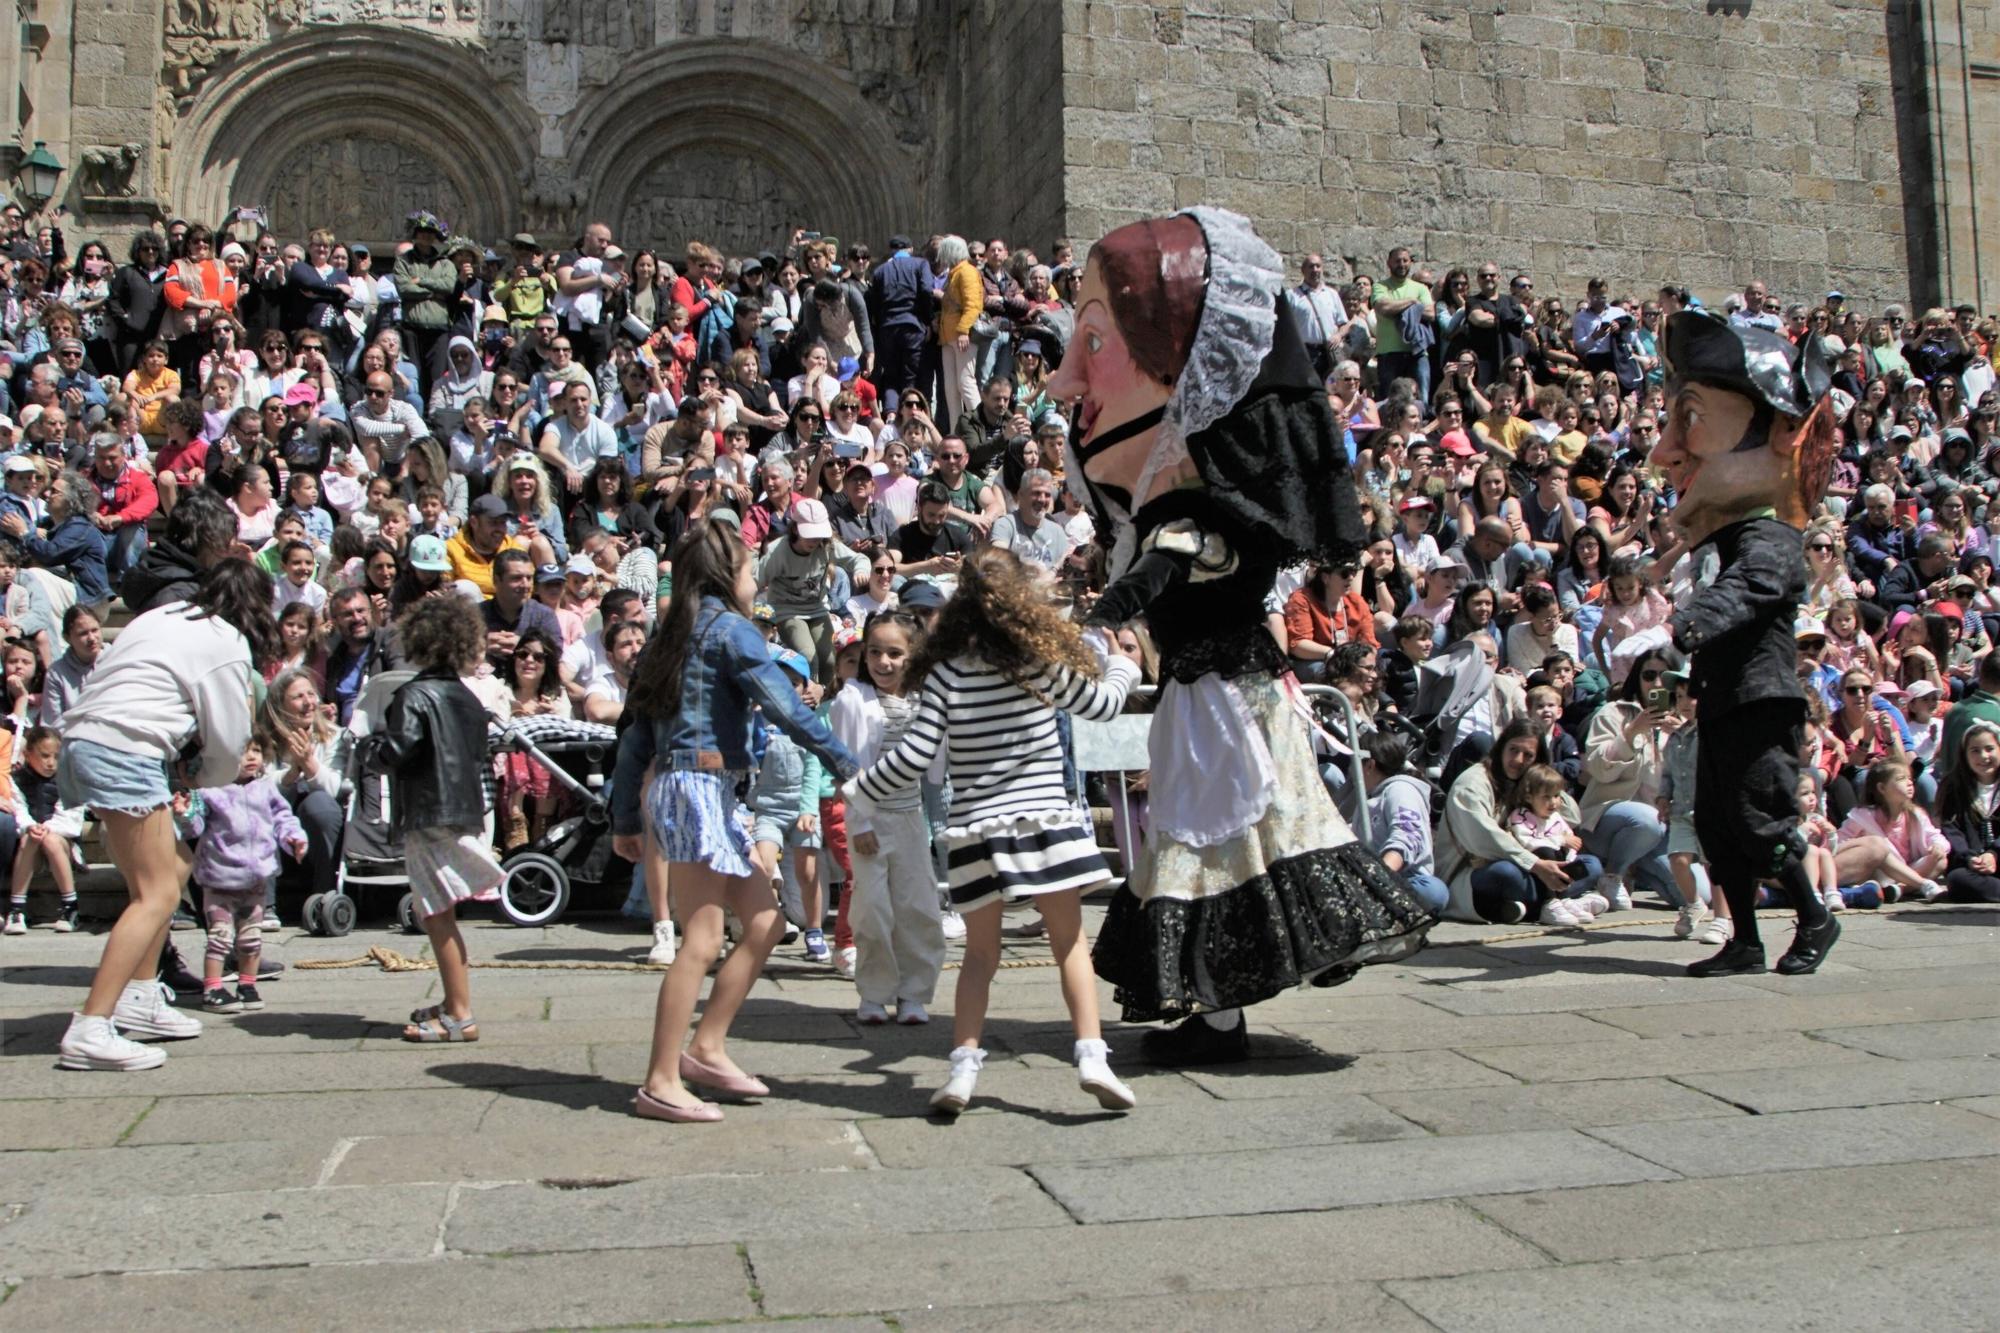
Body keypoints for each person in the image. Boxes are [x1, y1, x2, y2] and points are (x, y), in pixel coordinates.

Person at [1054, 208, 1433, 1065]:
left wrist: (1097, 618)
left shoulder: (1201, 520)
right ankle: (1216, 1012)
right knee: (1223, 847)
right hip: (1217, 693)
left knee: (1213, 849)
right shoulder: (1198, 514)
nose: (1068, 381)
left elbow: (1158, 574)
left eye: (1097, 343)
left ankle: (1219, 1017)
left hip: (1225, 703)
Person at [843, 546, 1140, 1114]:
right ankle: (1092, 1058)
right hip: (1045, 821)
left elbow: (915, 756)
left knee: (980, 956)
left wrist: (860, 790)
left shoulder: (946, 672)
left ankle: (962, 1070)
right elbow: (1102, 705)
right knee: (1069, 945)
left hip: (975, 829)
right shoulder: (1036, 660)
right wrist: (1122, 663)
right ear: (1020, 598)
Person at [612, 521, 859, 1123]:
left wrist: (624, 818)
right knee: (701, 941)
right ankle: (660, 1080)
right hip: (698, 788)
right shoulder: (731, 632)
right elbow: (786, 707)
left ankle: (706, 1048)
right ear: (728, 576)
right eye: (751, 570)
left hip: (700, 789)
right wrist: (849, 765)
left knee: (767, 922)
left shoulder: (668, 639)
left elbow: (634, 740)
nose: (757, 581)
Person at [1642, 309, 1841, 977]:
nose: (1666, 451)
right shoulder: (1726, 539)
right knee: (1718, 826)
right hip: (1727, 698)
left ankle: (1815, 917)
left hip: (1761, 699)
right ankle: (1746, 940)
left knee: (1759, 821)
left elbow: (1751, 587)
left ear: (1786, 430)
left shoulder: (1770, 538)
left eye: (1692, 419)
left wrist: (1679, 627)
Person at [54, 559, 278, 1071]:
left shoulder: (162, 616)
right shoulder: (227, 642)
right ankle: (91, 1026)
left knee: (176, 865)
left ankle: (140, 995)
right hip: (124, 751)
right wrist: (203, 776)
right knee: (157, 895)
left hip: (83, 741)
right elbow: (229, 745)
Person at [364, 598, 503, 1043]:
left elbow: (398, 749)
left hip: (427, 811)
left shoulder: (414, 695)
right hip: (464, 810)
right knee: (443, 911)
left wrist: (370, 749)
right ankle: (453, 1002)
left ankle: (460, 1014)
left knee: (436, 913)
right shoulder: (469, 698)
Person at [829, 609, 944, 1019]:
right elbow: (847, 766)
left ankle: (914, 992)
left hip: (910, 817)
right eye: (875, 652)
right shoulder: (853, 699)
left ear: (913, 655)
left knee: (917, 906)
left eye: (894, 653)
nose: (883, 662)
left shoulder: (923, 699)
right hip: (868, 819)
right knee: (872, 910)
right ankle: (874, 992)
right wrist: (859, 822)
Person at [186, 740, 306, 1013]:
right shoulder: (210, 791)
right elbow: (193, 827)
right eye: (242, 752)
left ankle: (247, 985)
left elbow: (283, 817)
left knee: (251, 938)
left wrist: (293, 838)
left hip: (256, 878)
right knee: (220, 936)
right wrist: (185, 813)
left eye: (256, 751)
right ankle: (213, 988)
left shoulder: (265, 788)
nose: (251, 757)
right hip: (219, 878)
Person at [1504, 763, 1609, 926]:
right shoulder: (1521, 816)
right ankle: (1551, 902)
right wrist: (1560, 840)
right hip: (1535, 870)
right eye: (1546, 797)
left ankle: (1565, 900)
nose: (1553, 802)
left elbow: (1568, 836)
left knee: (1592, 864)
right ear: (1529, 797)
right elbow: (1528, 843)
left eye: (1556, 796)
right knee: (1545, 850)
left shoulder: (1555, 816)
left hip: (1560, 868)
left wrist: (1570, 856)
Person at [5, 726, 82, 935]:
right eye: (45, 756)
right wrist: (30, 826)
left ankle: (70, 906)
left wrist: (47, 828)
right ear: (28, 754)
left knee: (50, 840)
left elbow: (71, 817)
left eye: (56, 757)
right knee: (28, 839)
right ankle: (17, 909)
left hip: (62, 845)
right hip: (33, 847)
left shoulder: (68, 780)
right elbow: (18, 809)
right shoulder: (17, 780)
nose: (51, 762)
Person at [1935, 719, 2000, 903]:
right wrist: (1970, 857)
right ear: (1964, 755)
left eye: (1989, 749)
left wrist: (1994, 854)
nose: (1983, 756)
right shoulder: (1953, 786)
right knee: (1958, 880)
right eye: (1975, 751)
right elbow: (1951, 828)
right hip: (1973, 865)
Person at [36, 604, 101, 730]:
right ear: (67, 638)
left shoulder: (114, 660)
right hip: (72, 737)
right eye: (83, 633)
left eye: (95, 630)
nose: (92, 638)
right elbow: (52, 723)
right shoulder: (56, 673)